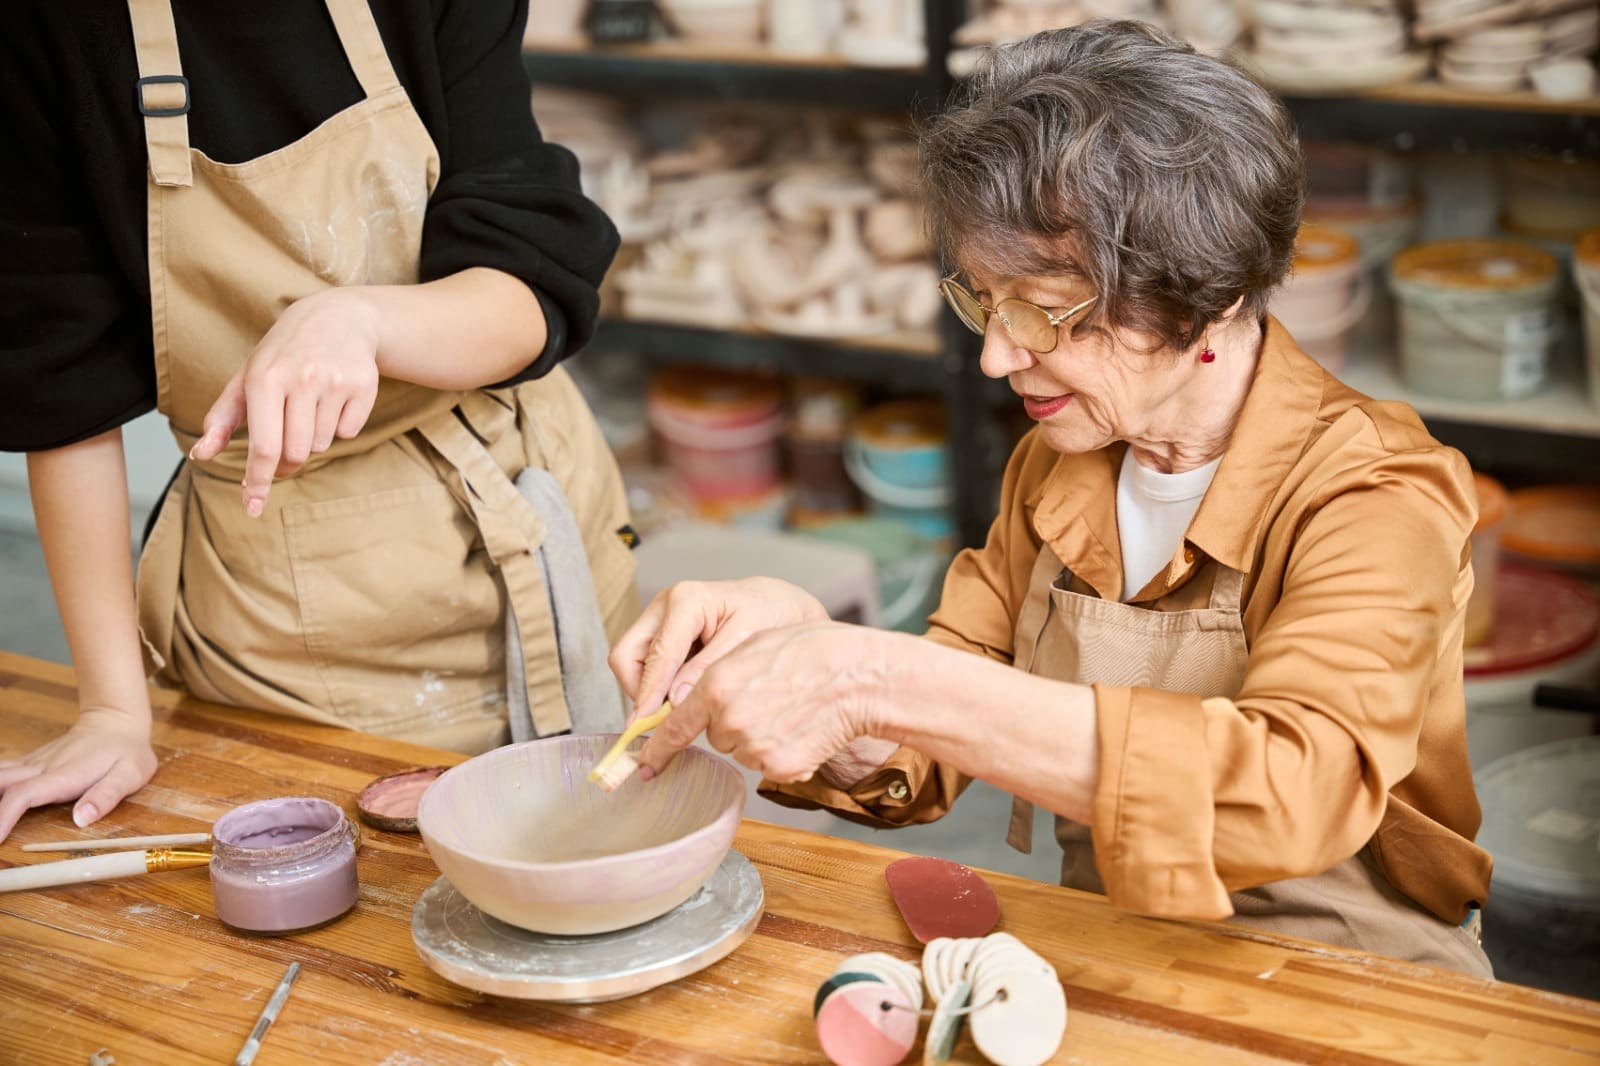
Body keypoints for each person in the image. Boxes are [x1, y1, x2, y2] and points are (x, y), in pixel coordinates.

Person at [611, 21, 1492, 976]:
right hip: (1119, 932)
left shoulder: (1379, 491)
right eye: (984, 304)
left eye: (1042, 311)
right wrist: (807, 657)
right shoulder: (1060, 462)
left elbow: (1295, 787)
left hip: (1354, 967)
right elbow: (933, 740)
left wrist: (876, 675)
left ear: (1211, 293)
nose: (997, 356)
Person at [0, 0, 637, 842]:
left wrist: (361, 322)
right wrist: (112, 711)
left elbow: (531, 282)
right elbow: (60, 390)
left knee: (605, 841)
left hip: (530, 511)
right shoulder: (50, 28)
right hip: (286, 616)